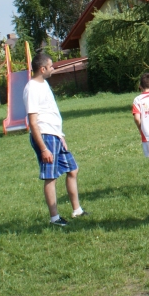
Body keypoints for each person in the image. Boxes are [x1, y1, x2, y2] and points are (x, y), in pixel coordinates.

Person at [24, 53, 84, 226]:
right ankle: (55, 218)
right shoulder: (32, 88)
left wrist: (61, 135)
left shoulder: (44, 84)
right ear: (42, 69)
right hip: (45, 136)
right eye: (51, 66)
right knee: (51, 177)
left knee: (72, 169)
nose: (53, 69)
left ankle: (77, 210)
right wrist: (44, 148)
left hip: (55, 135)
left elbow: (51, 112)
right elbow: (33, 122)